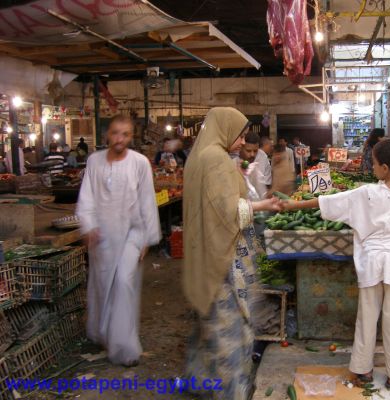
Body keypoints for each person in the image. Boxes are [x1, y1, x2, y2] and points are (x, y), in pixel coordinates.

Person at [283, 139, 390, 390]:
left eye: (373, 163)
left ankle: (363, 370)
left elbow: (328, 202)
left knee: (367, 318)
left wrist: (293, 205)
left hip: (371, 263)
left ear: (384, 168)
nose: (371, 168)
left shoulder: (366, 192)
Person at [182, 107, 282, 399]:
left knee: (209, 323)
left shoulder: (200, 156)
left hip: (204, 251)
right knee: (229, 325)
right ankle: (229, 390)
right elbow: (228, 213)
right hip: (222, 256)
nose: (241, 142)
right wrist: (264, 206)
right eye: (239, 135)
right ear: (226, 129)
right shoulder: (215, 159)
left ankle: (200, 381)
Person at [76, 115, 161, 367]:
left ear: (131, 137)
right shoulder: (94, 161)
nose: (119, 139)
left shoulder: (140, 163)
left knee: (124, 282)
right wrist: (89, 226)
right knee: (104, 285)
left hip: (133, 233)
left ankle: (125, 347)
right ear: (107, 135)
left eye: (125, 134)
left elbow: (147, 199)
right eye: (115, 133)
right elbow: (87, 197)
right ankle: (103, 333)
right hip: (103, 235)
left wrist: (147, 236)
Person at [239, 132, 267, 200]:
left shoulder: (261, 158)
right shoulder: (233, 164)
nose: (252, 155)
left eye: (255, 151)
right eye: (248, 151)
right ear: (241, 148)